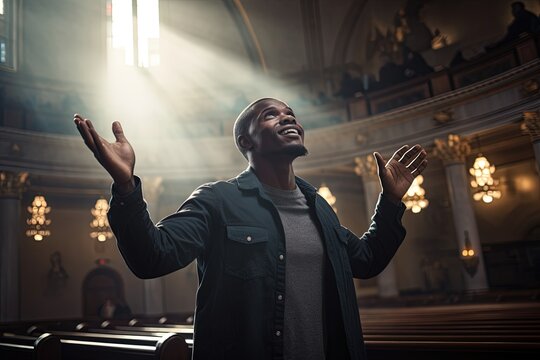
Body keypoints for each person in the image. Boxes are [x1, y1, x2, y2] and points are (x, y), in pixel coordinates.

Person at [73, 97, 427, 359]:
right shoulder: (217, 200)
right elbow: (152, 256)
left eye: (291, 114)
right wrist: (125, 187)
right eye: (270, 114)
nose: (288, 118)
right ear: (246, 141)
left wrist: (391, 203)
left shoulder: (319, 207)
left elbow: (366, 260)